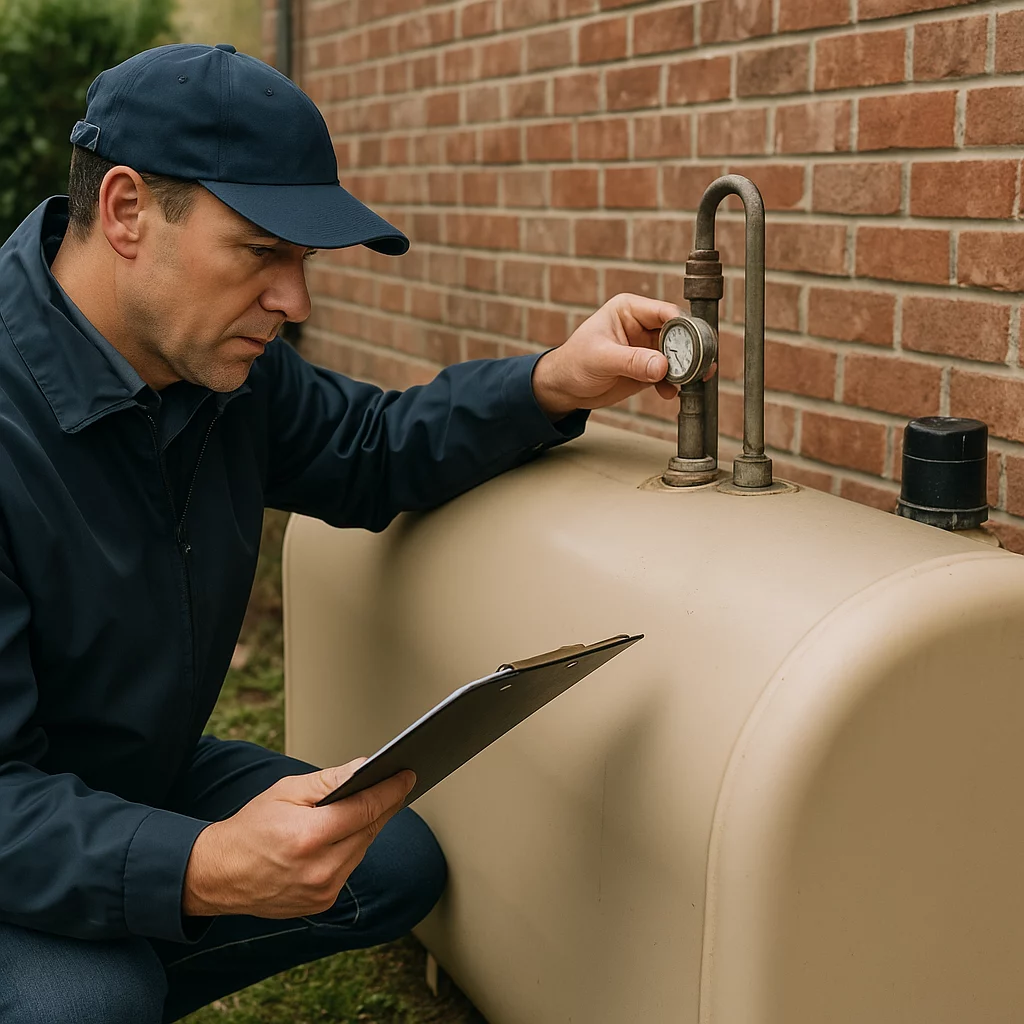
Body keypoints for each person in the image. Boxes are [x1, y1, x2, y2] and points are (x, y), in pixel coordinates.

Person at [0, 42, 687, 1023]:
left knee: (384, 861)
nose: (296, 302)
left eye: (304, 262)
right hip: (18, 814)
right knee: (91, 1000)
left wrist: (550, 382)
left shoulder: (214, 367)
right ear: (124, 212)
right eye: (261, 253)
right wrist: (204, 863)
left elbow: (370, 445)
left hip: (125, 777)